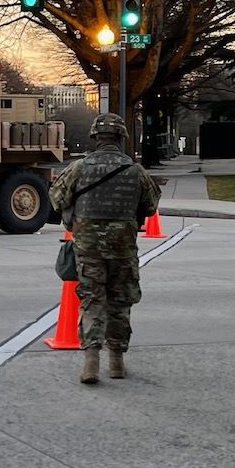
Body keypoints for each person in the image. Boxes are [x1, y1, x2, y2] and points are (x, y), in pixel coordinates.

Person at [48, 113, 161, 385]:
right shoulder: (135, 170)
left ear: (95, 137)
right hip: (122, 248)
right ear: (121, 138)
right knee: (120, 302)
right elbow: (150, 206)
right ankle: (117, 362)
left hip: (88, 249)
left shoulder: (80, 167)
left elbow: (56, 199)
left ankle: (91, 363)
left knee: (91, 301)